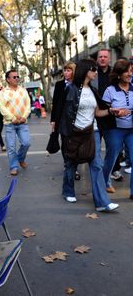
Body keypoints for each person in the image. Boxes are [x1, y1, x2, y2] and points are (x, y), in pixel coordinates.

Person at [57, 58, 121, 211]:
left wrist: (111, 111)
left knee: (97, 165)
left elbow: (97, 112)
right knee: (71, 164)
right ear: (86, 71)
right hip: (75, 133)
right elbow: (64, 113)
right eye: (94, 70)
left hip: (92, 132)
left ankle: (102, 203)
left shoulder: (93, 90)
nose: (96, 72)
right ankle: (68, 191)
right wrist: (63, 133)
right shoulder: (71, 89)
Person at [102, 59, 133, 199]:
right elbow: (103, 110)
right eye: (126, 71)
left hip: (131, 130)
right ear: (119, 74)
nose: (129, 74)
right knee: (111, 158)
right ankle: (104, 182)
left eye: (131, 71)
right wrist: (113, 111)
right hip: (114, 129)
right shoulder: (110, 90)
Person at [92, 49, 124, 182]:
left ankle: (115, 170)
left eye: (105, 57)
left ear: (109, 59)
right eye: (100, 57)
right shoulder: (92, 73)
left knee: (114, 145)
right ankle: (98, 169)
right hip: (95, 115)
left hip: (112, 115)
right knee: (95, 146)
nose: (103, 59)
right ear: (97, 59)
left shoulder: (115, 74)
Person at [51, 62, 81, 180]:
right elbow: (55, 103)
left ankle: (75, 167)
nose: (66, 72)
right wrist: (53, 120)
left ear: (74, 71)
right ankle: (68, 164)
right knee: (65, 143)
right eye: (65, 70)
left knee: (75, 143)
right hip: (62, 118)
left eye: (69, 70)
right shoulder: (59, 85)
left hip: (76, 118)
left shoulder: (79, 84)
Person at [0, 70, 31, 176]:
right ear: (8, 79)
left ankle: (20, 159)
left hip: (22, 122)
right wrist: (12, 118)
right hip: (9, 124)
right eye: (14, 77)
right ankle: (14, 166)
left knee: (26, 143)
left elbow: (28, 105)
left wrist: (24, 117)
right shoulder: (3, 92)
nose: (17, 78)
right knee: (11, 147)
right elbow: (2, 108)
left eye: (17, 76)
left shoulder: (23, 90)